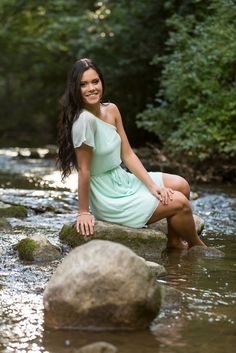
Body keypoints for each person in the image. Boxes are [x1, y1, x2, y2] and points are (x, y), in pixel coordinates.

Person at [57, 58, 206, 249]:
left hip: (122, 180)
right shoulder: (84, 122)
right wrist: (83, 212)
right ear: (75, 89)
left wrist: (153, 187)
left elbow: (128, 155)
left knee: (181, 185)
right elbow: (84, 171)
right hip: (107, 195)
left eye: (95, 81)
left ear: (102, 82)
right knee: (180, 202)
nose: (91, 88)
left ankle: (174, 242)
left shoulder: (111, 110)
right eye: (83, 84)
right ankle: (198, 248)